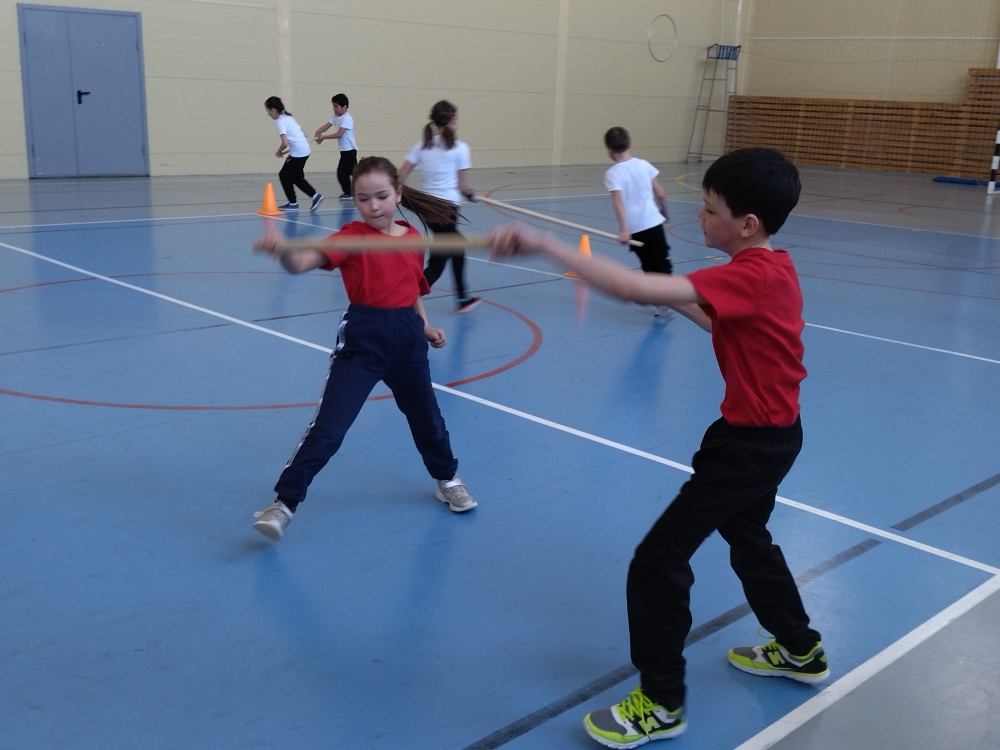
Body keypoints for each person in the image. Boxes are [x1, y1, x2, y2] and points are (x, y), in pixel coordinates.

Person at [489, 147, 826, 748]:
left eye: (711, 209)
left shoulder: (750, 275)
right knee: (749, 537)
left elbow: (630, 288)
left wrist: (547, 245)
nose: (700, 216)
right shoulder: (774, 269)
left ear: (747, 224)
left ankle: (662, 702)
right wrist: (667, 291)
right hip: (769, 435)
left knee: (657, 562)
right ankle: (800, 648)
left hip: (750, 447)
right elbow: (719, 323)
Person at [252, 156, 476, 542]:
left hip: (407, 341)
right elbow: (302, 262)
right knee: (329, 428)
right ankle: (284, 503)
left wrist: (425, 328)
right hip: (362, 342)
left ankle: (447, 479)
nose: (373, 206)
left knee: (428, 420)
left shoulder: (412, 239)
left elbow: (413, 290)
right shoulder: (350, 237)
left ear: (398, 194)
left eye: (382, 196)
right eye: (363, 198)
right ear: (354, 200)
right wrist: (284, 250)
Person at [398, 100, 481, 313]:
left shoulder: (422, 145)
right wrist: (471, 194)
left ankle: (462, 297)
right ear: (452, 120)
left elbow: (401, 174)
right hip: (447, 211)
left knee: (457, 249)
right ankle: (408, 298)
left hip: (428, 210)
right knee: (438, 262)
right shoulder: (460, 148)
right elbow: (462, 186)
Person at [603, 126, 673, 320]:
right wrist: (664, 211)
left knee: (648, 265)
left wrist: (625, 230)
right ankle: (665, 300)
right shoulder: (644, 165)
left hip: (636, 229)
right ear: (629, 143)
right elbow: (660, 193)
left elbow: (618, 202)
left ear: (609, 150)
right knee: (661, 262)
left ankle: (661, 300)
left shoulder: (613, 173)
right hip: (653, 223)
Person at [264, 96, 323, 212]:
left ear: (273, 110)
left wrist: (279, 152)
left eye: (268, 111)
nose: (268, 114)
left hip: (298, 152)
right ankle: (315, 196)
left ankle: (293, 203)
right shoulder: (288, 117)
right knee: (296, 177)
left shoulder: (280, 122)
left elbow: (284, 143)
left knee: (284, 175)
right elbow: (304, 134)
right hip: (305, 150)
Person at [314, 93, 358, 202]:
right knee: (353, 173)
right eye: (333, 106)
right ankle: (354, 191)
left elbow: (339, 134)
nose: (334, 109)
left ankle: (349, 193)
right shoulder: (335, 117)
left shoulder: (347, 118)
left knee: (342, 173)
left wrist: (324, 137)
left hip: (350, 151)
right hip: (344, 151)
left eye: (336, 106)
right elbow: (326, 126)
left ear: (344, 107)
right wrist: (318, 132)